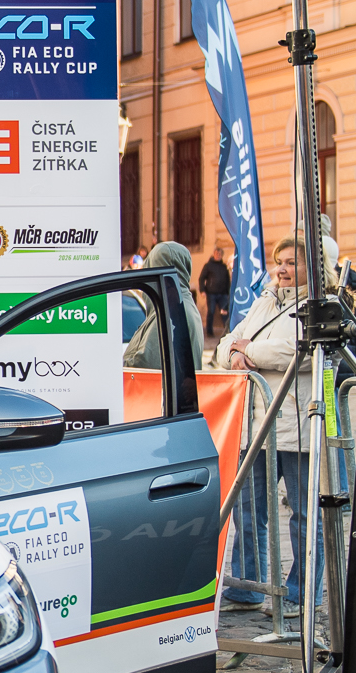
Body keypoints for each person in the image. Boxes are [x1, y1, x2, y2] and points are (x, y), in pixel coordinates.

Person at [216, 237, 326, 613]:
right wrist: (234, 352)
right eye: (279, 261)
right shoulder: (265, 301)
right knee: (248, 510)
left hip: (297, 424)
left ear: (313, 267)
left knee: (304, 515)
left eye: (292, 262)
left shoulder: (320, 304)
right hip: (257, 424)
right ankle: (247, 588)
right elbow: (226, 343)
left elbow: (301, 351)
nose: (282, 269)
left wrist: (248, 350)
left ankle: (300, 594)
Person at [123, 241, 203, 373]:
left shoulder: (171, 312)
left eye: (149, 271)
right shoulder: (180, 304)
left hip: (157, 387)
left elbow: (143, 366)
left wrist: (114, 364)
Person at [198, 247, 231, 338]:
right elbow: (201, 278)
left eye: (220, 254)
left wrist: (228, 292)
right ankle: (209, 332)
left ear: (222, 255)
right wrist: (202, 290)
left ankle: (227, 331)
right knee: (211, 312)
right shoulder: (208, 265)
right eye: (217, 254)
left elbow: (227, 280)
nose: (218, 255)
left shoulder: (224, 267)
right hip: (211, 293)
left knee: (225, 313)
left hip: (223, 294)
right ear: (214, 254)